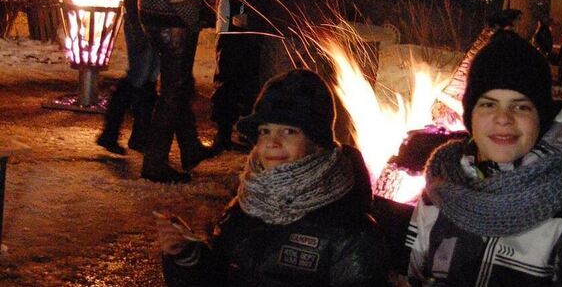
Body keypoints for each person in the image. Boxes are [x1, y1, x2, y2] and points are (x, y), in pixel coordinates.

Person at [407, 32, 562, 286]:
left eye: (520, 106)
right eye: (488, 104)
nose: (503, 118)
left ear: (541, 117)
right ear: (469, 116)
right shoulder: (437, 196)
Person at [158, 69, 390, 286]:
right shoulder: (245, 206)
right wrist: (187, 255)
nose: (272, 142)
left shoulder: (350, 231)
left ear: (317, 142)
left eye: (288, 131)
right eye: (264, 131)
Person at [133, 0, 213, 183]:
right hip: (175, 24)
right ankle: (154, 162)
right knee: (171, 93)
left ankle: (190, 147)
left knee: (178, 86)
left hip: (151, 19)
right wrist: (196, 20)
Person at [96, 0, 161, 155]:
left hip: (145, 12)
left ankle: (139, 135)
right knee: (139, 74)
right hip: (139, 14)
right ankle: (110, 132)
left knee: (149, 75)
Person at [210, 0, 267, 154]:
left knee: (251, 77)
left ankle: (246, 129)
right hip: (234, 22)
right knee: (228, 76)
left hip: (254, 23)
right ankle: (222, 132)